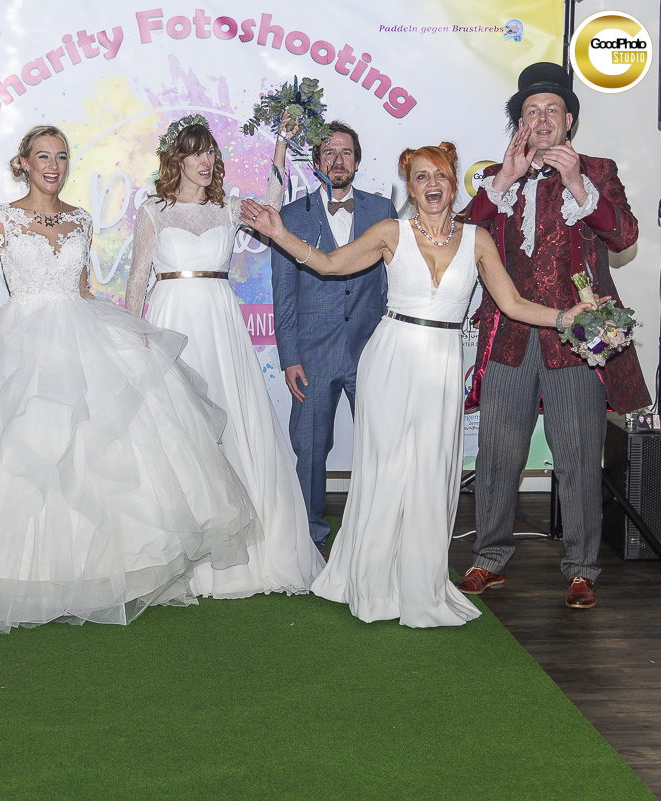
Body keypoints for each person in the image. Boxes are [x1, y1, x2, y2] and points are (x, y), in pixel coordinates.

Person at [0, 125, 262, 633]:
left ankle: (86, 575)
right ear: (23, 163)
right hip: (24, 344)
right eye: (43, 157)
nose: (53, 166)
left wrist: (124, 332)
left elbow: (82, 289)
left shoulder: (81, 219)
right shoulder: (1, 218)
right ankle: (22, 577)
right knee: (28, 454)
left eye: (61, 157)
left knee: (89, 454)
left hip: (79, 334)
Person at [246, 142, 592, 627]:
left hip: (442, 365)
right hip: (390, 359)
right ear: (410, 188)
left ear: (453, 184)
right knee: (386, 471)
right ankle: (371, 580)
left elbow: (513, 304)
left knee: (431, 473)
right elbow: (328, 265)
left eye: (441, 176)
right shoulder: (390, 232)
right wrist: (279, 233)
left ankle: (419, 583)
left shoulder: (478, 240)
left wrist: (564, 317)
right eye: (421, 177)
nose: (432, 184)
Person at [455, 62, 650, 609]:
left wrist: (577, 184)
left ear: (569, 121)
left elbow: (625, 236)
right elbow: (458, 238)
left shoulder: (599, 171)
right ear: (520, 124)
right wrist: (502, 181)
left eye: (552, 111)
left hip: (578, 341)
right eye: (531, 112)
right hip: (509, 338)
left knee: (579, 456)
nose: (542, 120)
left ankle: (582, 568)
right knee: (497, 454)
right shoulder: (498, 176)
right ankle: (488, 558)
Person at [125, 114, 322, 597]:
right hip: (171, 319)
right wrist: (134, 334)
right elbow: (137, 277)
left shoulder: (229, 208)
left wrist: (280, 145)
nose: (206, 161)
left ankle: (249, 552)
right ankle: (177, 554)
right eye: (196, 153)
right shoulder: (153, 210)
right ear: (177, 160)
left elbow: (272, 206)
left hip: (220, 322)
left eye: (211, 152)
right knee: (177, 428)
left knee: (231, 419)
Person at [268, 122, 396, 558]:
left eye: (346, 153)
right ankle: (309, 538)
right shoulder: (291, 217)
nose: (338, 161)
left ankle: (379, 534)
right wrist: (290, 356)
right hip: (312, 353)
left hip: (371, 349)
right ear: (316, 161)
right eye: (329, 152)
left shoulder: (382, 209)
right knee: (310, 448)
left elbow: (391, 281)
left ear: (357, 161)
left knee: (381, 445)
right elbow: (284, 293)